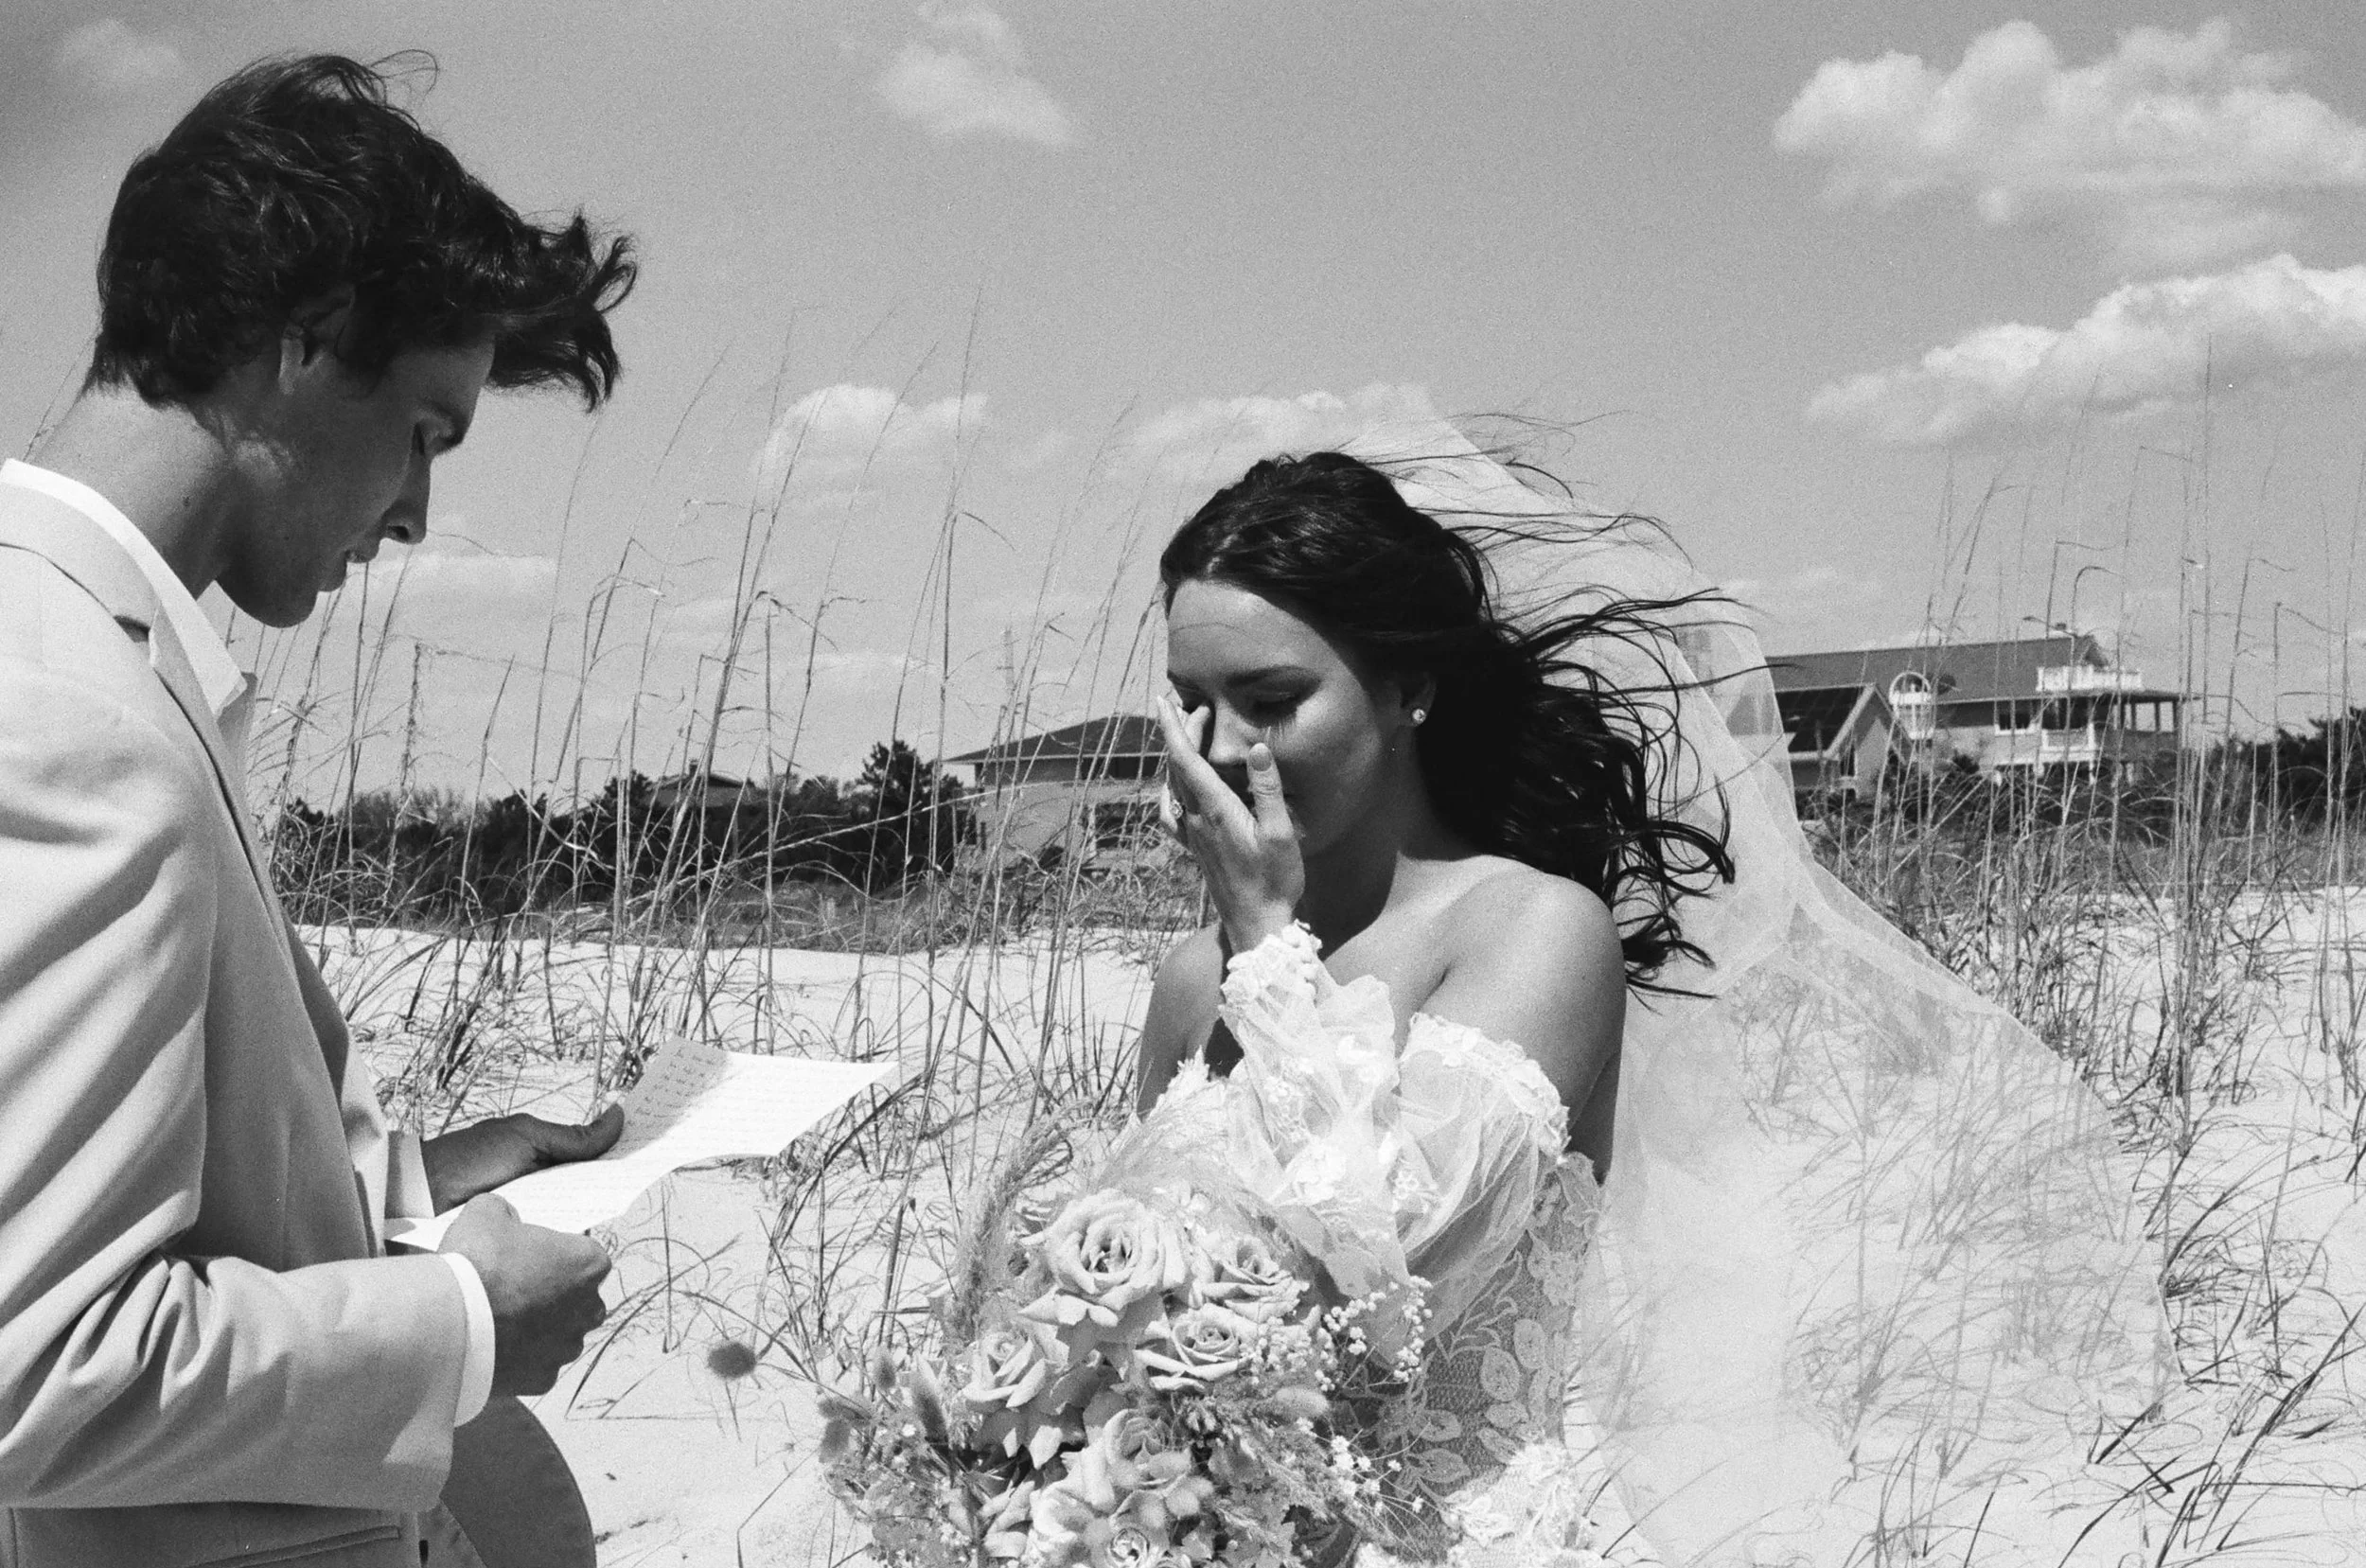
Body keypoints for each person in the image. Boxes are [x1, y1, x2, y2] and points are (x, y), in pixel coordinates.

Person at [1137, 435, 2169, 1565]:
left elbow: (1379, 1301)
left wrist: (1267, 947)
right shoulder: (1192, 982)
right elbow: (1141, 1296)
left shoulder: (1528, 930)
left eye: (1272, 700)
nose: (1222, 752)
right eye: (1191, 704)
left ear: (1407, 689)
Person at [0, 55, 638, 1568]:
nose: (418, 510)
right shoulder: (78, 723)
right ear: (300, 343)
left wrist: (410, 1184)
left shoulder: (73, 652)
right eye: (425, 428)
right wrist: (460, 1319)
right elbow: (44, 1362)